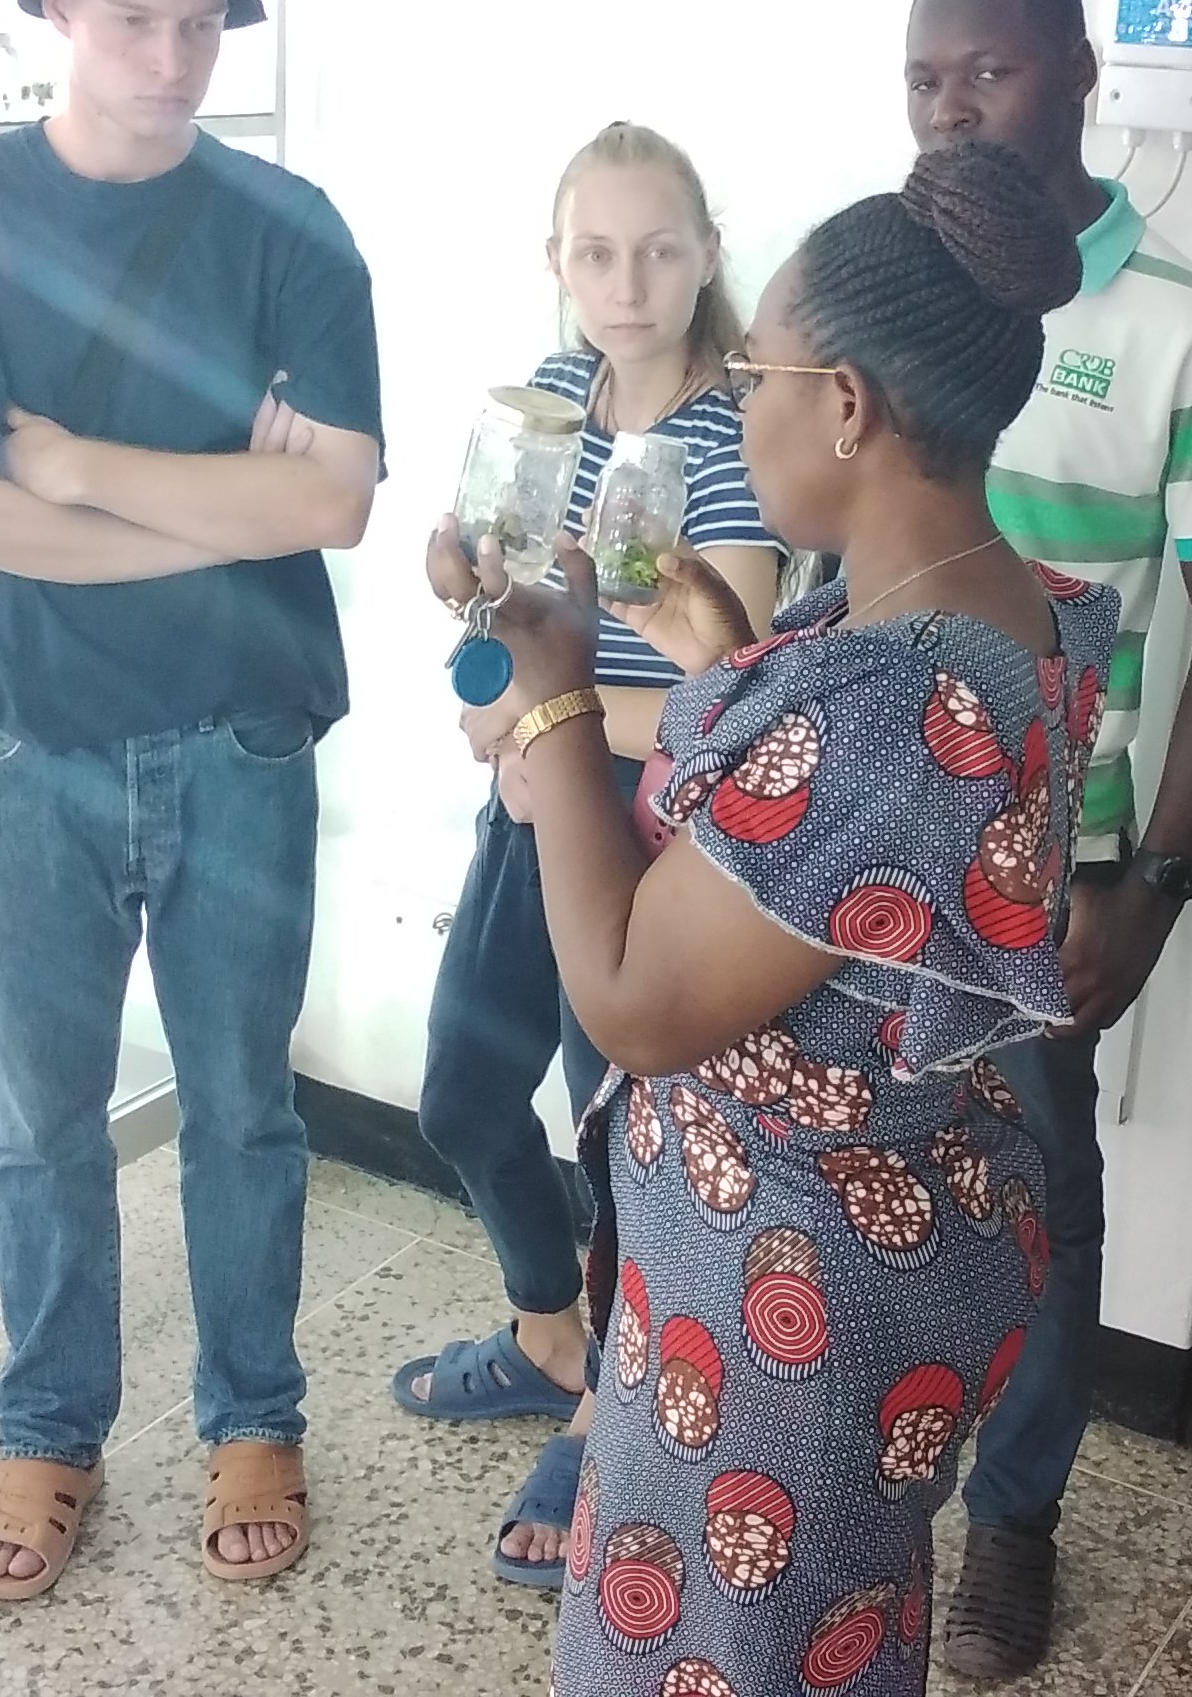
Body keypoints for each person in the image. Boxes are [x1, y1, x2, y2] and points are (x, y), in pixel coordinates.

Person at [475, 139, 1112, 1696]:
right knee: (815, 1626)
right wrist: (713, 641)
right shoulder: (996, 608)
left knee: (733, 1649)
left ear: (845, 405)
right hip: (878, 1240)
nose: (733, 405)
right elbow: (832, 863)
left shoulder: (898, 702)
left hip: (789, 1294)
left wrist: (548, 695)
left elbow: (630, 994)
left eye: (754, 372)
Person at [0, 0, 381, 1593]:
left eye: (201, 19)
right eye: (134, 17)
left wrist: (66, 466)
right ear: (61, 13)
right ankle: (47, 1426)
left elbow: (338, 509)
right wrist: (210, 500)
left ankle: (253, 1412)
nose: (171, 55)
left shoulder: (288, 228)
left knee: (243, 1108)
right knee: (40, 1119)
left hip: (240, 736)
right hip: (24, 735)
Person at [900, 0, 1192, 1676]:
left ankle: (1018, 1524)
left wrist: (1160, 881)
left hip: (1059, 844)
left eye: (983, 68)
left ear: (1075, 76)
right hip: (870, 819)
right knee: (857, 1152)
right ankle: (857, 1462)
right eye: (922, 77)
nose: (951, 104)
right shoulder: (882, 288)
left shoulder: (1182, 326)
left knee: (1045, 1187)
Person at [390, 122, 782, 1587]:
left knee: (620, 1138)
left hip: (644, 834)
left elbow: (718, 690)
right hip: (538, 803)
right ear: (556, 264)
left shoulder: (737, 432)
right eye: (599, 252)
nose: (630, 281)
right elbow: (504, 590)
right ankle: (555, 1334)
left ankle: (620, 1417)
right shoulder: (550, 398)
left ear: (704, 257)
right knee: (461, 1090)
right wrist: (462, 585)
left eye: (662, 249)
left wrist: (542, 713)